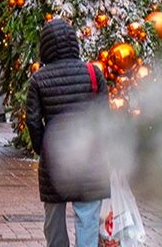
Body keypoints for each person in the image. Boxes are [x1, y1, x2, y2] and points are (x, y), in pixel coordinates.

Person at [26, 19, 109, 247]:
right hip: (90, 156)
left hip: (55, 155)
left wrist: (41, 147)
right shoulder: (93, 73)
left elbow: (33, 120)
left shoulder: (39, 79)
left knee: (54, 219)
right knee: (88, 219)